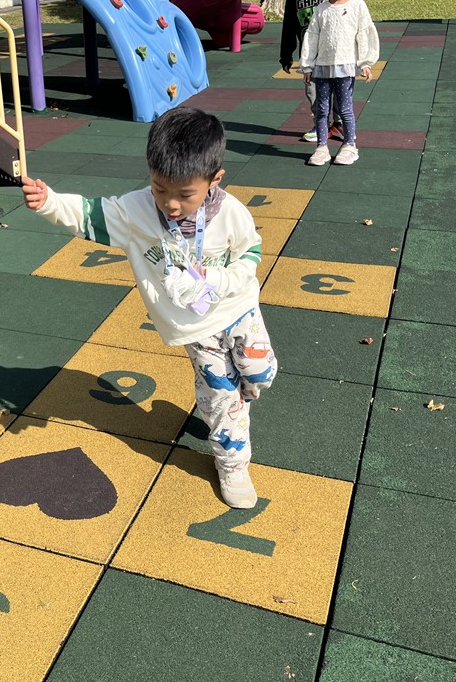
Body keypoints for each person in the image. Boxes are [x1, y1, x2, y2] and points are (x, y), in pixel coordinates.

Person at [20, 107, 277, 509]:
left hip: (238, 306)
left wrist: (221, 280)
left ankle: (232, 399)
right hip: (195, 325)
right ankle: (232, 461)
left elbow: (251, 253)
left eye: (185, 195)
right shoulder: (136, 210)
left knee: (259, 373)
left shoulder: (230, 213)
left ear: (214, 179)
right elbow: (89, 215)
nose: (171, 204)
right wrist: (49, 201)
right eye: (160, 189)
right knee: (222, 394)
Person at [300, 0, 380, 166]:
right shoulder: (321, 9)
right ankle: (322, 147)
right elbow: (312, 36)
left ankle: (350, 145)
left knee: (344, 108)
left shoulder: (357, 5)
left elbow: (364, 33)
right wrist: (307, 66)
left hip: (345, 68)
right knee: (322, 109)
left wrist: (365, 63)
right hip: (322, 69)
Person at [278, 0, 342, 143]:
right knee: (313, 91)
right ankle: (321, 124)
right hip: (310, 56)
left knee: (339, 88)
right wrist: (286, 55)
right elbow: (288, 28)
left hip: (335, 52)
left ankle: (339, 123)